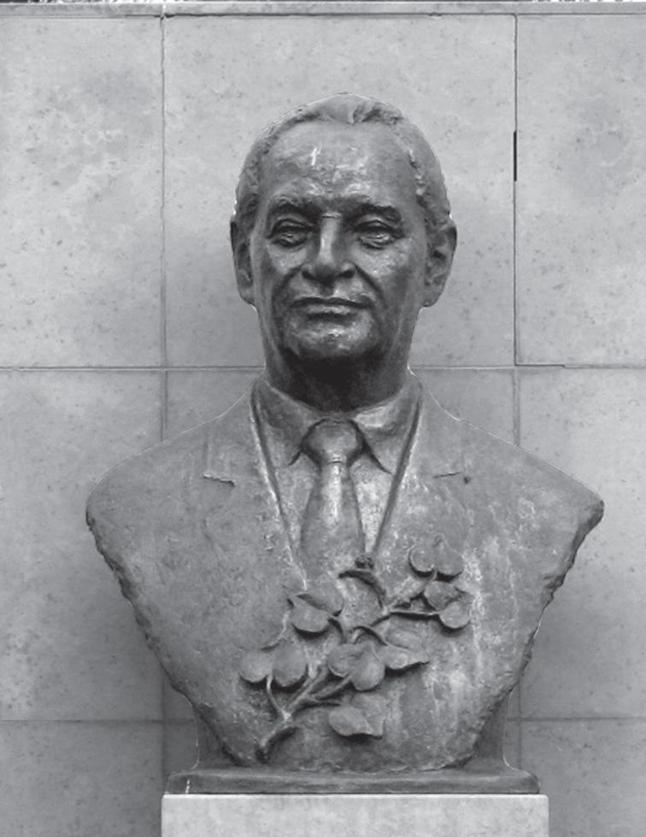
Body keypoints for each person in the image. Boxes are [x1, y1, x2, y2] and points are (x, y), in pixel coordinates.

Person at [87, 94, 602, 775]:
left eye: (373, 232)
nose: (326, 262)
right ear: (246, 261)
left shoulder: (536, 508)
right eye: (293, 231)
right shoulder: (140, 506)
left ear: (436, 263)